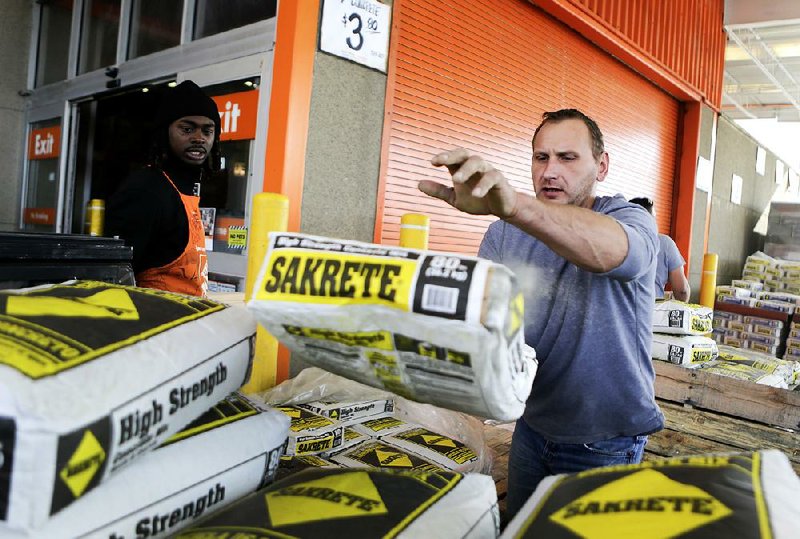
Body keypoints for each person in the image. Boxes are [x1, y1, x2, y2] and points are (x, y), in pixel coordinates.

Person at [418, 108, 664, 519]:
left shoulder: (626, 218)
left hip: (604, 438)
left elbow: (608, 253)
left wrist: (513, 206)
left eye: (568, 158)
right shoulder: (502, 232)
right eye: (541, 157)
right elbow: (485, 318)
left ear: (601, 166)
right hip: (532, 426)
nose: (551, 171)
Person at [106, 80, 221, 297]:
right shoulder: (146, 189)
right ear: (164, 132)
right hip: (153, 321)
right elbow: (113, 276)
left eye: (207, 131)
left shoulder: (189, 187)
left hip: (187, 322)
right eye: (187, 129)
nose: (199, 138)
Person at [629, 196, 691, 302]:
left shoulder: (617, 240)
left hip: (617, 313)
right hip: (652, 312)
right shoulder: (664, 243)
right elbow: (682, 291)